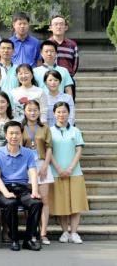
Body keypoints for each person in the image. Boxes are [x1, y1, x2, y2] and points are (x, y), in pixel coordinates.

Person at [0, 120, 44, 251]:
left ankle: (28, 239)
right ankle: (14, 239)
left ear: (21, 135)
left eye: (17, 133)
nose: (14, 136)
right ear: (6, 135)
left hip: (22, 189)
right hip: (4, 188)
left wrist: (35, 191)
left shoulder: (28, 153)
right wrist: (5, 192)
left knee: (37, 203)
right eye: (11, 133)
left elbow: (33, 173)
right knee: (11, 203)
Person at [49, 102, 88, 244]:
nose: (61, 114)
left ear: (69, 113)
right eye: (58, 112)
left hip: (75, 173)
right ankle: (65, 232)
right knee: (61, 204)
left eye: (64, 111)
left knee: (76, 204)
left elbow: (78, 151)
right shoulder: (49, 131)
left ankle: (74, 233)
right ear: (54, 114)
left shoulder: (75, 131)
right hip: (56, 172)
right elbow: (48, 152)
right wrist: (59, 169)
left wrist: (70, 168)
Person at [22, 100, 53, 244]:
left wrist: (46, 165)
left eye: (35, 110)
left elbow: (49, 147)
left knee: (44, 200)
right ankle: (32, 232)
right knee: (32, 201)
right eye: (29, 110)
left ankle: (43, 233)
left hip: (42, 164)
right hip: (26, 166)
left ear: (39, 111)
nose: (33, 112)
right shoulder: (21, 127)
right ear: (24, 112)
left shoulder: (45, 128)